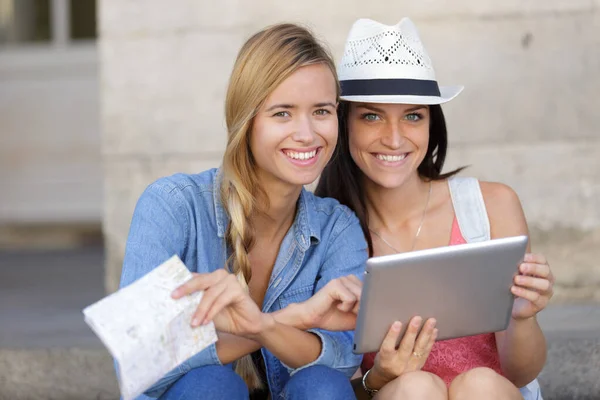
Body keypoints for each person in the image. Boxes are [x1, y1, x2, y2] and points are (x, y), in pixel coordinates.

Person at [119, 23, 367, 400]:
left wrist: (263, 326)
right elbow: (137, 366)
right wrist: (293, 320)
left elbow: (345, 360)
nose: (307, 133)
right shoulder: (173, 206)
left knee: (324, 386)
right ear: (246, 120)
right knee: (212, 386)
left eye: (321, 111)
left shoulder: (337, 227)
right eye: (282, 113)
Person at [316, 18, 553, 400]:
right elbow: (328, 385)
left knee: (480, 383)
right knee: (414, 387)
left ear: (431, 123)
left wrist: (522, 318)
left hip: (491, 393)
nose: (394, 139)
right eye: (371, 115)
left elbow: (519, 373)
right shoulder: (327, 230)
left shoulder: (492, 205)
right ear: (344, 125)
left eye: (413, 115)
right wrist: (378, 376)